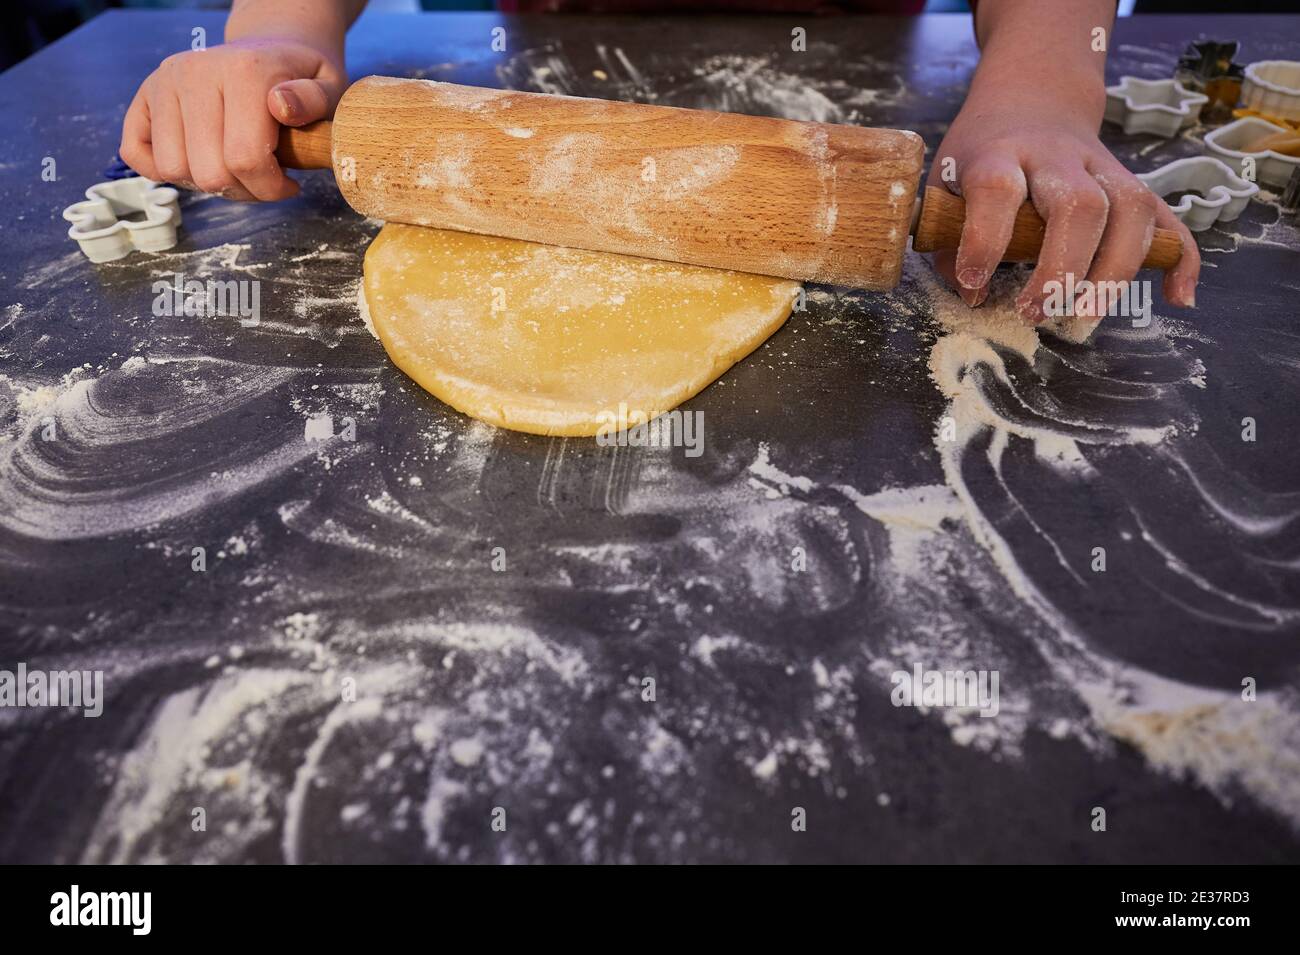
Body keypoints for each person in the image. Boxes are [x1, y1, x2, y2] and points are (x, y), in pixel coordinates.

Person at [119, 0, 1200, 320]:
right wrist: (274, 34)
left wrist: (1044, 85)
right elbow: (284, 43)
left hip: (858, 48)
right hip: (544, 53)